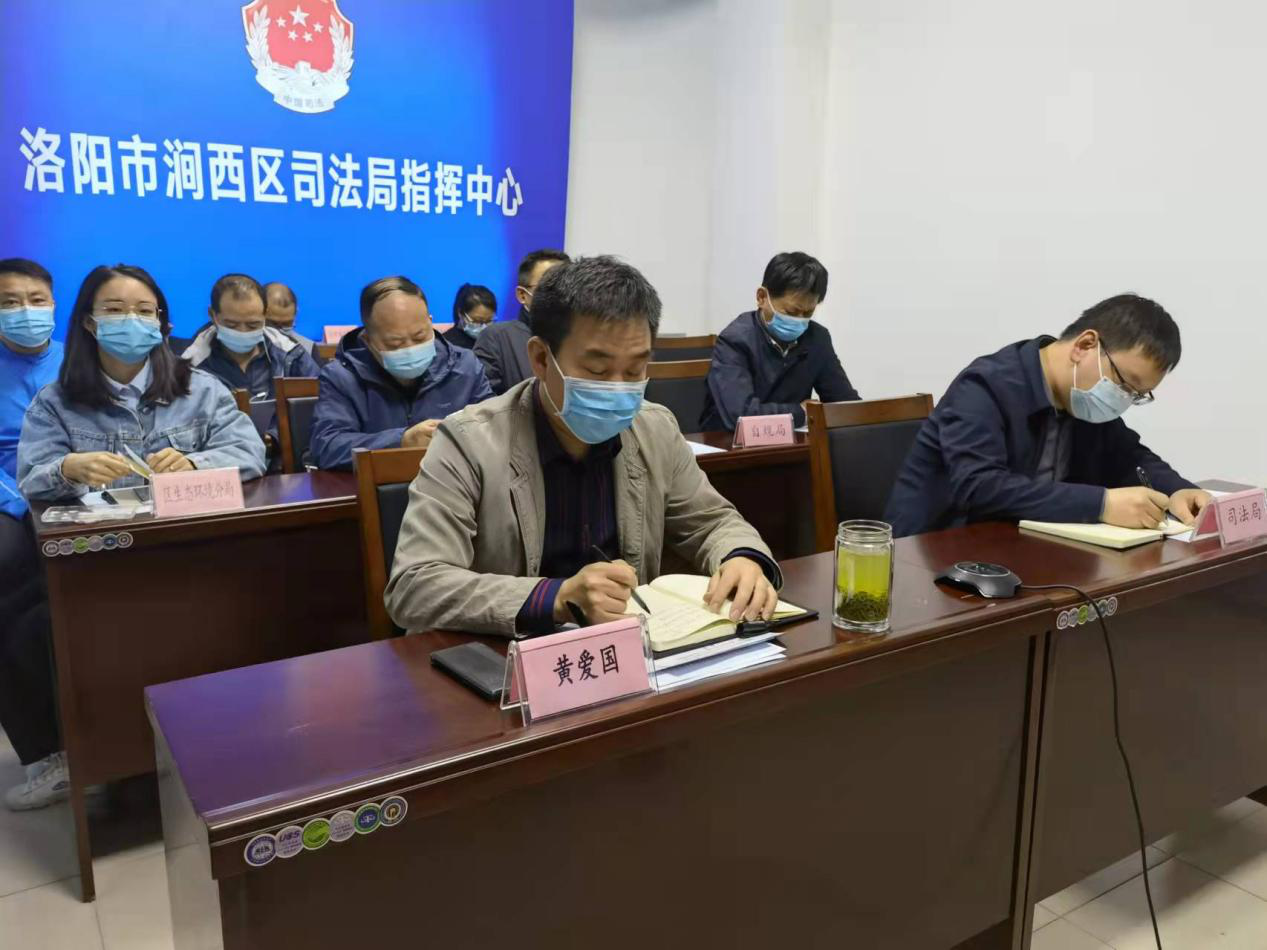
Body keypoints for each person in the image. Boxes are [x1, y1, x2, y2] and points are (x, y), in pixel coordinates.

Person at [385, 255, 782, 637]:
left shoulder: (654, 428)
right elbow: (416, 584)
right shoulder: (468, 441)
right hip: (509, 661)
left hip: (631, 654)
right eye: (597, 369)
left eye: (635, 369)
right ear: (541, 359)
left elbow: (712, 522)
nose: (619, 388)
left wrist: (742, 557)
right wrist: (557, 598)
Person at [884, 293, 1211, 538]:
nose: (1123, 399)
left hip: (1024, 554)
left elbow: (1129, 456)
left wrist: (1177, 490)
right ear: (1084, 346)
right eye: (1125, 384)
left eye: (1137, 395)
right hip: (933, 557)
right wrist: (1102, 505)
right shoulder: (986, 385)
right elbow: (980, 487)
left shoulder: (1082, 400)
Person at [18, 263, 267, 503]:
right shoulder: (55, 402)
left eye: (145, 311)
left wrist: (193, 465)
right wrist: (67, 469)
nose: (132, 320)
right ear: (89, 322)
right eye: (114, 310)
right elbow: (31, 480)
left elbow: (248, 452)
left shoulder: (202, 389)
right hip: (103, 530)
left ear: (159, 322)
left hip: (183, 526)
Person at [0, 259, 66, 809]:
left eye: (36, 299)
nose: (26, 311)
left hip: (77, 488)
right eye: (10, 302)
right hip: (9, 500)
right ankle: (45, 754)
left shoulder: (78, 361)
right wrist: (21, 501)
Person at [309, 276, 493, 471]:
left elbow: (495, 429)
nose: (410, 349)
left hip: (454, 483)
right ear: (367, 340)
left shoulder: (465, 366)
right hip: (378, 486)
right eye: (394, 343)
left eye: (419, 337)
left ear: (430, 323)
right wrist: (401, 441)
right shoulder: (342, 377)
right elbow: (327, 447)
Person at [699, 251, 860, 431]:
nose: (799, 320)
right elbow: (740, 415)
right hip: (727, 443)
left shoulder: (817, 338)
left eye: (808, 313)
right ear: (762, 297)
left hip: (793, 443)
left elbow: (845, 403)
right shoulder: (734, 340)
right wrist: (802, 412)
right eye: (791, 312)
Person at [183, 274, 319, 399]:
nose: (243, 332)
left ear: (265, 315)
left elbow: (321, 400)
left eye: (253, 325)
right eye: (231, 325)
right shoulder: (192, 364)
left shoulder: (290, 354)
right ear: (212, 315)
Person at [473, 249, 569, 393]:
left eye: (566, 285)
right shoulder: (496, 338)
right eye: (549, 286)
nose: (560, 293)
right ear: (522, 294)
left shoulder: (582, 337)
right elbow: (484, 398)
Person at [263, 281, 316, 356]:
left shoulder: (308, 349)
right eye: (273, 324)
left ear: (295, 315)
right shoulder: (246, 349)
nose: (278, 333)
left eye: (286, 324)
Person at [442, 283, 497, 350]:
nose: (484, 327)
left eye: (489, 321)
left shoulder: (495, 342)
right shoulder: (445, 345)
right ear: (460, 313)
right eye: (477, 321)